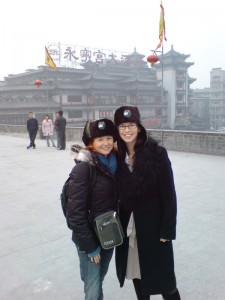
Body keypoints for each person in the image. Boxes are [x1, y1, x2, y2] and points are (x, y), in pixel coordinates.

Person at [114, 106, 181, 300]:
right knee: (137, 276)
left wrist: (167, 230)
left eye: (131, 125)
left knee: (166, 283)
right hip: (130, 230)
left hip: (155, 230)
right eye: (123, 126)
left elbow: (169, 195)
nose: (127, 130)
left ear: (139, 127)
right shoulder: (117, 157)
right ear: (118, 130)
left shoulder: (157, 154)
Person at [67, 118, 118, 300]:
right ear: (91, 143)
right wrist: (90, 247)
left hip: (108, 234)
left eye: (109, 138)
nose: (105, 143)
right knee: (93, 286)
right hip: (90, 239)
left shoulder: (115, 164)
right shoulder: (83, 169)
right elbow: (75, 213)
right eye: (100, 140)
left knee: (98, 279)